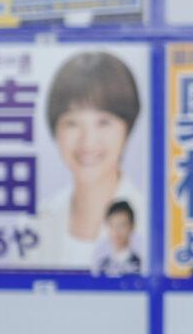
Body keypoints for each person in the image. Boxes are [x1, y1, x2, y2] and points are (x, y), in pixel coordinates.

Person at [34, 52, 144, 271]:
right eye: (72, 123)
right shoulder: (35, 223)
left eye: (103, 122)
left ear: (127, 129)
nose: (88, 141)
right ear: (55, 130)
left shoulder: (153, 220)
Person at [93, 200, 142, 276]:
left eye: (121, 225)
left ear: (131, 226)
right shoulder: (102, 266)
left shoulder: (140, 265)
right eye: (112, 225)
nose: (116, 231)